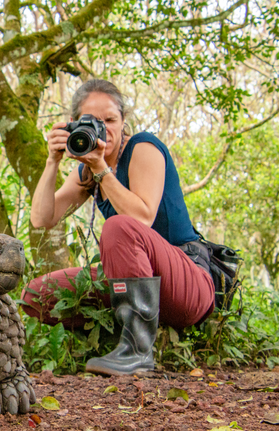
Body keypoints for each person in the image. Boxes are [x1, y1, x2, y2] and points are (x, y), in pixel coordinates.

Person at [21, 79, 214, 376]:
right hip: (136, 279)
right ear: (74, 124)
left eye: (110, 120)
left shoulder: (143, 147)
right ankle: (115, 341)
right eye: (93, 121)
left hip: (188, 283)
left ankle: (137, 351)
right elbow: (41, 219)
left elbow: (142, 218)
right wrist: (52, 161)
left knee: (119, 226)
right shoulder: (86, 169)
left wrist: (101, 169)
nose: (103, 129)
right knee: (37, 294)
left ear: (123, 122)